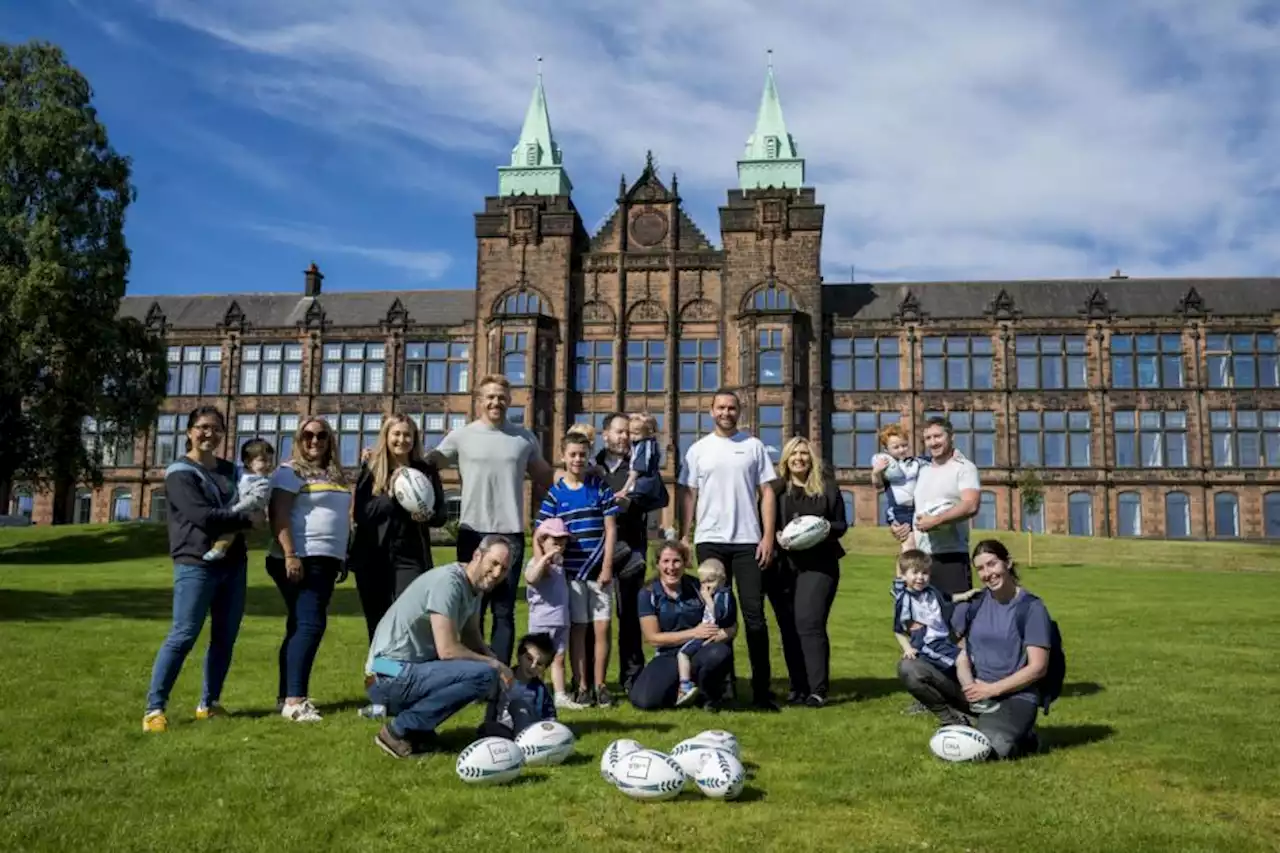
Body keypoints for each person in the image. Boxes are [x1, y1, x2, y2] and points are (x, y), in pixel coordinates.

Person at [143, 407, 261, 733]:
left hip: (234, 564)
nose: (209, 434)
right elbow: (202, 516)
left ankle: (208, 704)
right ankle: (154, 709)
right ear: (189, 432)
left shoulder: (230, 470)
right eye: (202, 428)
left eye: (216, 429)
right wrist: (246, 520)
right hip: (195, 562)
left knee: (224, 638)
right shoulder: (179, 472)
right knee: (183, 635)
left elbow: (252, 496)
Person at [427, 374, 555, 666]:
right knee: (471, 610)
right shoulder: (462, 436)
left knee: (503, 611)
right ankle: (474, 672)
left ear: (509, 401)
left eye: (501, 397)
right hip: (473, 533)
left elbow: (547, 478)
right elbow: (428, 463)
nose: (496, 402)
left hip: (510, 532)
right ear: (479, 401)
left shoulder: (523, 438)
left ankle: (499, 675)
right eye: (490, 397)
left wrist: (587, 476)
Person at [897, 539, 1052, 759]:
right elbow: (951, 641)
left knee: (992, 749)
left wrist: (992, 690)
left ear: (1007, 563)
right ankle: (956, 722)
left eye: (992, 564)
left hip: (1014, 696)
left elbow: (1038, 668)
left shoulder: (1032, 608)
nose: (987, 573)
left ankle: (1025, 737)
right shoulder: (975, 603)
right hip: (975, 692)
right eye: (980, 568)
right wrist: (916, 624)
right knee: (910, 668)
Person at [678, 389, 781, 711]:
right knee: (716, 618)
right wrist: (684, 536)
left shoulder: (753, 447)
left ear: (740, 411)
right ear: (711, 411)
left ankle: (762, 692)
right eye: (721, 407)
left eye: (732, 408)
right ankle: (719, 691)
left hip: (747, 541)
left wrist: (767, 537)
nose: (726, 412)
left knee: (754, 619)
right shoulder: (698, 451)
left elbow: (767, 493)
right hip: (709, 540)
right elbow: (689, 495)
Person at [365, 536, 514, 758]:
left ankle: (419, 731)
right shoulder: (448, 583)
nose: (496, 573)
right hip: (384, 672)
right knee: (483, 675)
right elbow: (448, 650)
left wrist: (500, 664)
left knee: (487, 671)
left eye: (503, 569)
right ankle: (397, 731)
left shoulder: (474, 588)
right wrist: (493, 665)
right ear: (477, 555)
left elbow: (472, 637)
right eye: (493, 563)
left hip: (398, 668)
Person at [266, 416, 352, 723]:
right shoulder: (290, 472)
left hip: (326, 559)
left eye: (322, 435)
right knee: (310, 624)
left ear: (331, 440)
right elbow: (278, 515)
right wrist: (290, 554)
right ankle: (295, 701)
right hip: (301, 557)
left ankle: (284, 695)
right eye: (308, 435)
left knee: (299, 625)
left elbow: (340, 517)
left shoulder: (335, 474)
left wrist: (342, 555)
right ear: (298, 439)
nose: (314, 441)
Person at [534, 431, 620, 708]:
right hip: (571, 575)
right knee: (579, 631)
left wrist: (607, 566)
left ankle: (601, 684)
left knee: (603, 629)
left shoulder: (600, 487)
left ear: (588, 455)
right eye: (572, 454)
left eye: (582, 454)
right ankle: (581, 685)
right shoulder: (556, 494)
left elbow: (610, 528)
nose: (577, 459)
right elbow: (539, 531)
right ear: (563, 456)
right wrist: (542, 564)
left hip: (600, 574)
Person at [350, 414, 447, 641]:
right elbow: (362, 514)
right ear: (386, 436)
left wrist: (428, 515)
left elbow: (441, 514)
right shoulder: (372, 470)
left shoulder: (425, 471)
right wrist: (392, 496)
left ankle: (403, 674)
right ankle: (381, 675)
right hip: (373, 557)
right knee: (378, 625)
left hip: (410, 557)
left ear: (414, 439)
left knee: (409, 623)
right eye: (396, 434)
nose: (401, 439)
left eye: (407, 434)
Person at [771, 436, 847, 707]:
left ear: (811, 458)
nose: (799, 458)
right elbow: (764, 521)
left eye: (804, 453)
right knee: (789, 628)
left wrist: (824, 528)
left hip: (820, 564)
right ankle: (797, 687)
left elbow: (841, 525)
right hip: (784, 565)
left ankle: (817, 689)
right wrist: (775, 535)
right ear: (786, 459)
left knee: (809, 623)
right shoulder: (778, 490)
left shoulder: (826, 488)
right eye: (794, 453)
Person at [630, 540, 737, 711]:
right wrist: (694, 632)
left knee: (719, 653)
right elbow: (653, 638)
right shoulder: (648, 593)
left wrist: (722, 634)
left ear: (685, 563)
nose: (671, 567)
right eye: (665, 561)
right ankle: (680, 688)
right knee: (644, 701)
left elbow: (730, 623)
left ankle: (707, 693)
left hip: (700, 649)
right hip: (668, 653)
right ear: (657, 564)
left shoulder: (699, 586)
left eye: (676, 561)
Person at [595, 412, 653, 694]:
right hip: (595, 551)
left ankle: (632, 679)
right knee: (593, 619)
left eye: (628, 432)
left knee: (629, 617)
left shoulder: (640, 466)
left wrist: (631, 502)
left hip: (631, 548)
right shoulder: (591, 465)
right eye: (619, 432)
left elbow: (657, 497)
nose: (625, 437)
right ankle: (592, 681)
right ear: (605, 435)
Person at [892, 417, 980, 596]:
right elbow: (909, 507)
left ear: (951, 436)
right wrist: (899, 528)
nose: (933, 442)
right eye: (928, 438)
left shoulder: (964, 467)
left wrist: (937, 520)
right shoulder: (922, 471)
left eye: (938, 436)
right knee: (922, 620)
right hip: (921, 561)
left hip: (951, 556)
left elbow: (971, 505)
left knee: (956, 619)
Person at [523, 517, 578, 708]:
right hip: (542, 622)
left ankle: (560, 695)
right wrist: (544, 558)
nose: (559, 547)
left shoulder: (559, 565)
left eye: (562, 543)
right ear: (542, 542)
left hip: (561, 620)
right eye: (554, 542)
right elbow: (531, 578)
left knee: (559, 659)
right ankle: (536, 692)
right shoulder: (536, 564)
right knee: (538, 660)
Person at [203, 439, 274, 562]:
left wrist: (234, 510)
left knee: (232, 530)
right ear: (248, 461)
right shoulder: (239, 471)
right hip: (233, 507)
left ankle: (220, 549)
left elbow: (253, 500)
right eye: (263, 460)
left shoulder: (264, 482)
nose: (268, 464)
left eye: (270, 460)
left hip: (248, 510)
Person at [675, 558, 734, 707]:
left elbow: (722, 616)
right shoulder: (717, 594)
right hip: (706, 630)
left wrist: (708, 599)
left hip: (710, 632)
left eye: (711, 581)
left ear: (722, 579)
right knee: (686, 654)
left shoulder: (724, 594)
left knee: (683, 653)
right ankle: (691, 685)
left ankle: (685, 685)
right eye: (703, 582)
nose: (706, 586)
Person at [478, 632, 558, 739]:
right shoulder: (503, 679)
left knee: (519, 706)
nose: (533, 666)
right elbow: (492, 706)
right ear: (519, 655)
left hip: (529, 732)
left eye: (539, 664)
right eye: (529, 659)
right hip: (504, 728)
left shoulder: (540, 690)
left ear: (545, 668)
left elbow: (550, 717)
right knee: (487, 729)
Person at [870, 424, 927, 552]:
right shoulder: (886, 466)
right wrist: (876, 472)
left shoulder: (916, 462)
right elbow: (878, 485)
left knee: (923, 545)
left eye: (904, 445)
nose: (901, 450)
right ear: (886, 450)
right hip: (901, 510)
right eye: (896, 447)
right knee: (909, 546)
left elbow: (935, 461)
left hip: (919, 508)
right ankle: (905, 571)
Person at [616, 413, 665, 513]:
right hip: (650, 484)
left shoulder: (644, 446)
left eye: (637, 434)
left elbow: (636, 470)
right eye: (631, 433)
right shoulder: (649, 443)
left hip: (643, 485)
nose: (633, 437)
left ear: (646, 432)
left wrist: (624, 489)